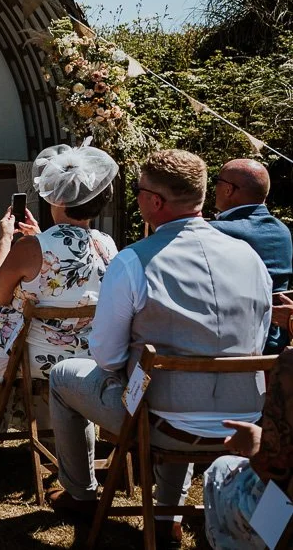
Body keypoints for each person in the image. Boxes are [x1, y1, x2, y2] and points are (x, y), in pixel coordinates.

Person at [47, 149, 271, 548]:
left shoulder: (134, 261)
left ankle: (80, 493)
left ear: (154, 201)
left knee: (65, 376)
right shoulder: (251, 259)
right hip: (245, 422)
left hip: (165, 423)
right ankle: (167, 514)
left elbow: (107, 356)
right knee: (169, 387)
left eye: (137, 191)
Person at [0, 142, 120, 471]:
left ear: (57, 198)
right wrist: (39, 238)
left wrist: (7, 239)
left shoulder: (32, 245)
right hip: (86, 357)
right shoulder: (107, 244)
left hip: (30, 355)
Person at [204, 346, 293, 550]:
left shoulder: (289, 368)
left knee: (219, 471)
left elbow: (276, 473)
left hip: (284, 526)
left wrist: (256, 443)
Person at [211, 158, 293, 353]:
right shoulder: (282, 231)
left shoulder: (215, 232)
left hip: (235, 345)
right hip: (277, 342)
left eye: (216, 182)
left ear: (228, 189)